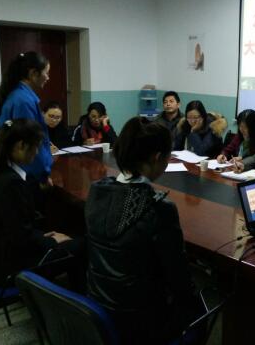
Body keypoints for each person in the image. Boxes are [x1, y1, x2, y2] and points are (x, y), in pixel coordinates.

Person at [85, 117, 203, 344]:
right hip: (141, 323)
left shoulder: (96, 190)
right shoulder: (159, 208)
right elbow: (179, 278)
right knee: (200, 311)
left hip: (97, 310)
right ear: (157, 157)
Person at [0, 119, 77, 287]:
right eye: (36, 146)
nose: (37, 152)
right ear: (21, 146)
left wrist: (40, 235)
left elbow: (16, 227)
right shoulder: (11, 183)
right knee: (78, 246)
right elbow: (22, 239)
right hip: (6, 270)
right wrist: (51, 241)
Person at [0, 51, 52, 184]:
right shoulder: (24, 101)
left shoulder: (16, 95)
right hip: (27, 173)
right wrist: (43, 175)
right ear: (33, 74)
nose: (48, 78)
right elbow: (28, 143)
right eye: (46, 73)